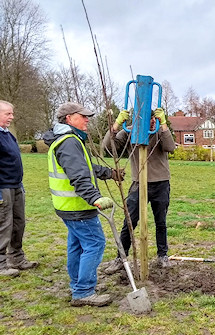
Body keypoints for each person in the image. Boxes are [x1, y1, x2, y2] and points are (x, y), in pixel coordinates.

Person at [43, 102, 124, 307]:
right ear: (69, 118)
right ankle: (83, 292)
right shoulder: (69, 142)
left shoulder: (68, 140)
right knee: (95, 244)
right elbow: (79, 177)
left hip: (68, 207)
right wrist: (95, 198)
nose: (88, 119)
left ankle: (77, 285)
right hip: (78, 207)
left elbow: (85, 167)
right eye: (83, 116)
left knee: (77, 246)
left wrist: (108, 173)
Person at [101, 107, 175, 274]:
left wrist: (163, 123)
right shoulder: (129, 133)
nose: (146, 123)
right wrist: (117, 123)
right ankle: (121, 258)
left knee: (161, 222)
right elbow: (107, 147)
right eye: (140, 120)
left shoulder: (158, 132)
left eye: (150, 120)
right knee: (129, 222)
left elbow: (170, 147)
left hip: (161, 183)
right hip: (137, 183)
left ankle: (162, 256)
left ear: (153, 120)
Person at [0, 100, 38, 278]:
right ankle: (1, 264)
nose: (12, 117)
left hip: (16, 185)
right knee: (3, 225)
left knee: (18, 223)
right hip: (3, 187)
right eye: (8, 114)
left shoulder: (7, 134)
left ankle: (16, 257)